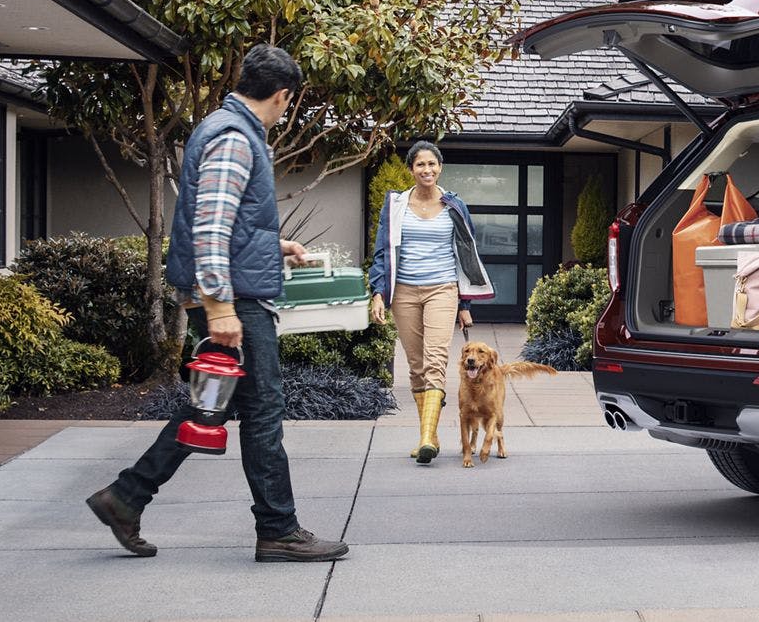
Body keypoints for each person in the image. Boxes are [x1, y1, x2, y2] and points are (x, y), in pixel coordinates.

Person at [85, 44, 350, 563]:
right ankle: (278, 530)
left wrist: (274, 246)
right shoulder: (234, 138)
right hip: (235, 301)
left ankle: (126, 497)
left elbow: (228, 221)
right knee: (263, 412)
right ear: (282, 96)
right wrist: (220, 306)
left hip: (233, 292)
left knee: (212, 404)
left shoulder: (227, 128)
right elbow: (208, 227)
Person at [367, 140, 494, 463]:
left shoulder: (454, 205)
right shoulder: (396, 205)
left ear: (440, 168)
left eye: (432, 164)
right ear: (411, 169)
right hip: (404, 291)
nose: (427, 169)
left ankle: (425, 438)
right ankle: (431, 434)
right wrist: (378, 292)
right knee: (416, 365)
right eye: (420, 164)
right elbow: (382, 250)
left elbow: (466, 254)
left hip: (442, 289)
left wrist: (465, 306)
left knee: (435, 360)